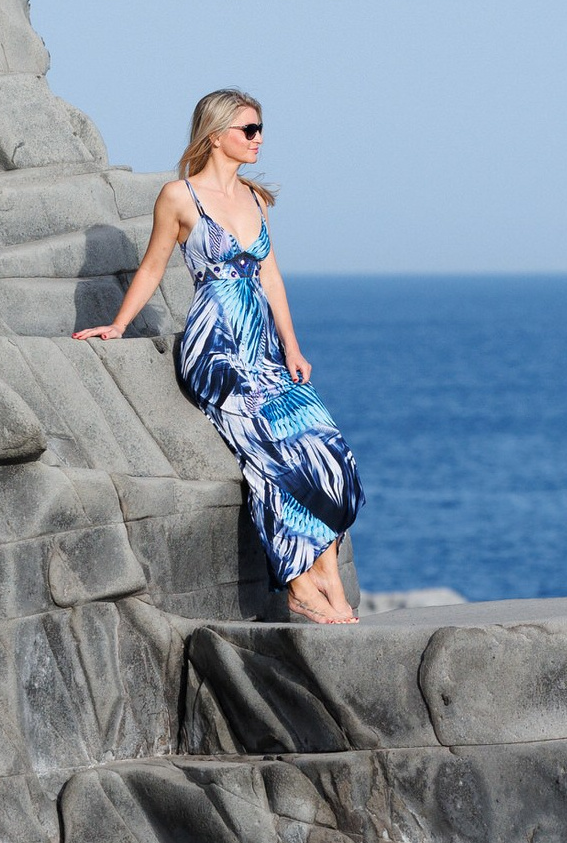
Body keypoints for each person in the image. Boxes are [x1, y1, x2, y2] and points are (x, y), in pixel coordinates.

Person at [73, 88, 364, 624]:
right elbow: (154, 266)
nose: (258, 139)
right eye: (248, 130)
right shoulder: (178, 197)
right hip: (217, 345)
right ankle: (302, 582)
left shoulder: (255, 199)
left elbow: (271, 276)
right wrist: (118, 324)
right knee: (269, 451)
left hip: (264, 346)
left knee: (327, 448)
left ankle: (323, 573)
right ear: (215, 135)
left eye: (260, 130)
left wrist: (293, 349)